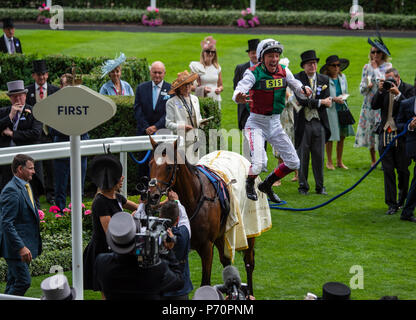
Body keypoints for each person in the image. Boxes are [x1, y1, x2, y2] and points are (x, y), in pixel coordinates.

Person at [233, 39, 311, 202]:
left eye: (276, 55)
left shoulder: (284, 71)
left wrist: (305, 90)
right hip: (256, 123)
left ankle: (267, 184)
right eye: (270, 56)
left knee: (293, 162)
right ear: (262, 57)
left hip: (275, 123)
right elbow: (240, 89)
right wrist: (238, 96)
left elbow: (297, 87)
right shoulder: (253, 72)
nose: (274, 59)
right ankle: (249, 184)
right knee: (259, 163)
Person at [83, 154, 138, 297]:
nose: (123, 178)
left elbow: (139, 208)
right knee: (108, 292)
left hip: (116, 249)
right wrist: (129, 220)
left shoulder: (118, 198)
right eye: (120, 176)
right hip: (103, 251)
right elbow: (110, 231)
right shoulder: (100, 202)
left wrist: (165, 202)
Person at [94, 211, 184, 300]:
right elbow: (178, 281)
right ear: (139, 236)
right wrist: (168, 250)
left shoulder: (102, 262)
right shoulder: (155, 269)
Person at [371, 68, 415, 215]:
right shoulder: (384, 89)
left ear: (398, 77)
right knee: (388, 170)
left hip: (402, 136)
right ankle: (391, 204)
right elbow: (374, 105)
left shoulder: (408, 89)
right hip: (385, 133)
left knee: (403, 170)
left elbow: (411, 109)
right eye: (387, 79)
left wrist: (398, 94)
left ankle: (402, 200)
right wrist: (380, 90)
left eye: (392, 80)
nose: (390, 83)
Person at [0, 154, 42, 296]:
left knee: (13, 282)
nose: (34, 171)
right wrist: (21, 247)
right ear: (20, 169)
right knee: (23, 281)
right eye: (30, 168)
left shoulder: (25, 185)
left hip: (21, 247)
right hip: (15, 249)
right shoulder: (11, 190)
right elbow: (6, 223)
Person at [294, 50, 332, 196]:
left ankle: (320, 186)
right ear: (304, 66)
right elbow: (301, 100)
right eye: (309, 63)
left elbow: (328, 101)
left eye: (314, 63)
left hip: (319, 122)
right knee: (302, 156)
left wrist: (319, 102)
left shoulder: (323, 79)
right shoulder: (297, 79)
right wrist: (320, 102)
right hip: (303, 123)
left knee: (318, 156)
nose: (313, 66)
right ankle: (303, 186)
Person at [49, 73, 89, 213]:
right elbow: (52, 129)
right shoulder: (54, 103)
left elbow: (86, 127)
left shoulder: (83, 102)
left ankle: (78, 212)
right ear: (61, 87)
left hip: (81, 146)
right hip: (61, 147)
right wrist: (72, 130)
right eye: (66, 86)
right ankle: (59, 214)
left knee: (79, 185)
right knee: (60, 186)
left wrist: (69, 128)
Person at [354, 33, 393, 166]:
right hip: (369, 104)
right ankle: (373, 160)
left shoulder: (388, 67)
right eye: (373, 52)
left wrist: (376, 70)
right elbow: (361, 89)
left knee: (382, 131)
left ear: (382, 53)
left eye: (377, 52)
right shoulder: (366, 67)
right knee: (371, 132)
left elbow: (384, 83)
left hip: (383, 104)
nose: (375, 55)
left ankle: (383, 160)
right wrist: (367, 86)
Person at [25, 59, 60, 206]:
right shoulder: (27, 92)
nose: (41, 77)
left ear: (47, 75)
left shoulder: (55, 91)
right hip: (34, 135)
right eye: (39, 74)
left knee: (52, 166)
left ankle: (51, 194)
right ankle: (37, 193)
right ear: (33, 76)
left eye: (44, 74)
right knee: (35, 167)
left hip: (50, 134)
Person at [0, 81, 42, 195]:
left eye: (20, 95)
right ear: (10, 98)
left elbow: (36, 133)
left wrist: (12, 134)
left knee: (31, 191)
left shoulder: (34, 111)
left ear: (25, 95)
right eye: (14, 96)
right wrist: (10, 116)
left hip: (27, 157)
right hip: (8, 158)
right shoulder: (3, 112)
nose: (18, 99)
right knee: (8, 190)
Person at [134, 61, 171, 178]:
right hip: (144, 133)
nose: (157, 75)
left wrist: (156, 126)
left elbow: (169, 112)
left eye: (160, 73)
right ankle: (143, 189)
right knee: (143, 164)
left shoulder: (171, 89)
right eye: (154, 72)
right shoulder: (141, 88)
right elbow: (137, 110)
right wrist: (146, 127)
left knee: (161, 163)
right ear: (150, 73)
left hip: (162, 133)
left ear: (164, 73)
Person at [320, 55, 355, 170]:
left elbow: (345, 91)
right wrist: (334, 99)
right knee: (330, 136)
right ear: (328, 67)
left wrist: (343, 97)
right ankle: (329, 162)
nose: (336, 68)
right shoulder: (324, 79)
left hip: (342, 108)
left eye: (338, 65)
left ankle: (339, 161)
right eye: (333, 65)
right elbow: (322, 95)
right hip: (330, 110)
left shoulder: (342, 77)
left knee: (342, 135)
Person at [165, 70, 204, 163]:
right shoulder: (172, 102)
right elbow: (168, 124)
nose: (187, 87)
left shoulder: (195, 99)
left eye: (189, 84)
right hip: (180, 142)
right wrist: (182, 127)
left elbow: (198, 118)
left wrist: (202, 122)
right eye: (184, 85)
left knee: (195, 168)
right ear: (179, 87)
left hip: (194, 140)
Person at [159, 194, 193, 300]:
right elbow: (184, 219)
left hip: (160, 290)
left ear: (160, 217)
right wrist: (177, 201)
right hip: (180, 291)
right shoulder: (184, 233)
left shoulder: (154, 235)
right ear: (177, 219)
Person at [395, 96, 416, 223]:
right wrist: (410, 126)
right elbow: (399, 123)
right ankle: (407, 211)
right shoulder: (406, 103)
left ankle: (407, 211)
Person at [190, 36, 223, 109]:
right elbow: (190, 87)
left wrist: (219, 89)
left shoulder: (217, 67)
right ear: (203, 53)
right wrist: (202, 90)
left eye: (213, 52)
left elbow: (220, 85)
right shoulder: (196, 67)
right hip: (201, 100)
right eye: (208, 51)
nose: (210, 54)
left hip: (215, 100)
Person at [233, 39, 260, 130]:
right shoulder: (241, 68)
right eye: (253, 53)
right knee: (247, 140)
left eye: (257, 52)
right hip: (246, 109)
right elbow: (236, 87)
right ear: (249, 54)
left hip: (261, 110)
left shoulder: (265, 68)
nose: (255, 55)